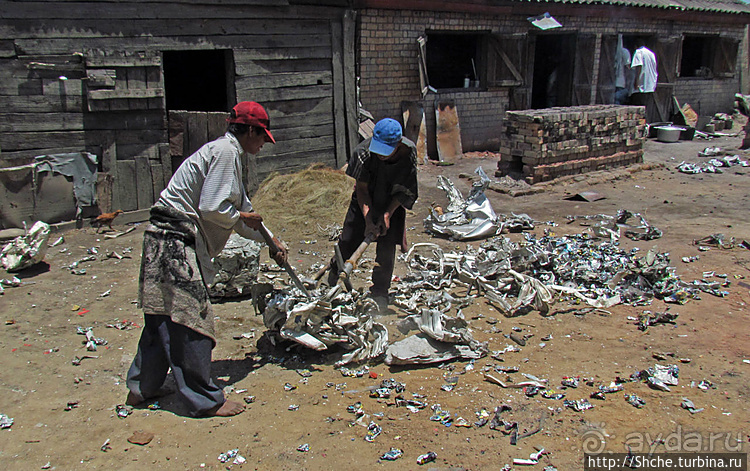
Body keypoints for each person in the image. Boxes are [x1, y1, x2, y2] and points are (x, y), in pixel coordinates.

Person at [125, 101, 288, 417]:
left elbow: (242, 217)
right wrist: (243, 216)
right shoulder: (226, 154)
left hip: (161, 235)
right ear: (250, 129)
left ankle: (143, 387)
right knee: (191, 318)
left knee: (162, 316)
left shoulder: (228, 156)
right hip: (176, 240)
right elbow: (215, 209)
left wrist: (271, 240)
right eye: (261, 137)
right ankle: (204, 399)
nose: (263, 144)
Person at [327, 118, 418, 310]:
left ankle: (380, 292)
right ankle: (334, 275)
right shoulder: (363, 153)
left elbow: (405, 189)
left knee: (386, 248)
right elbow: (361, 189)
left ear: (398, 144)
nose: (381, 156)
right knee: (348, 240)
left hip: (393, 199)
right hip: (365, 199)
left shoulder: (408, 153)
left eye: (387, 151)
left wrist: (388, 214)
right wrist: (368, 217)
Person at [630, 41, 658, 122]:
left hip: (642, 87)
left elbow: (639, 67)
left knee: (638, 109)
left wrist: (636, 82)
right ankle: (646, 124)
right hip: (650, 86)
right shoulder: (651, 54)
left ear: (636, 46)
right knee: (646, 108)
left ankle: (638, 124)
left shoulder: (639, 52)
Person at [614, 35, 633, 105]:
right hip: (620, 84)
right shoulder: (624, 51)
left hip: (618, 84)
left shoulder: (620, 51)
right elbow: (628, 69)